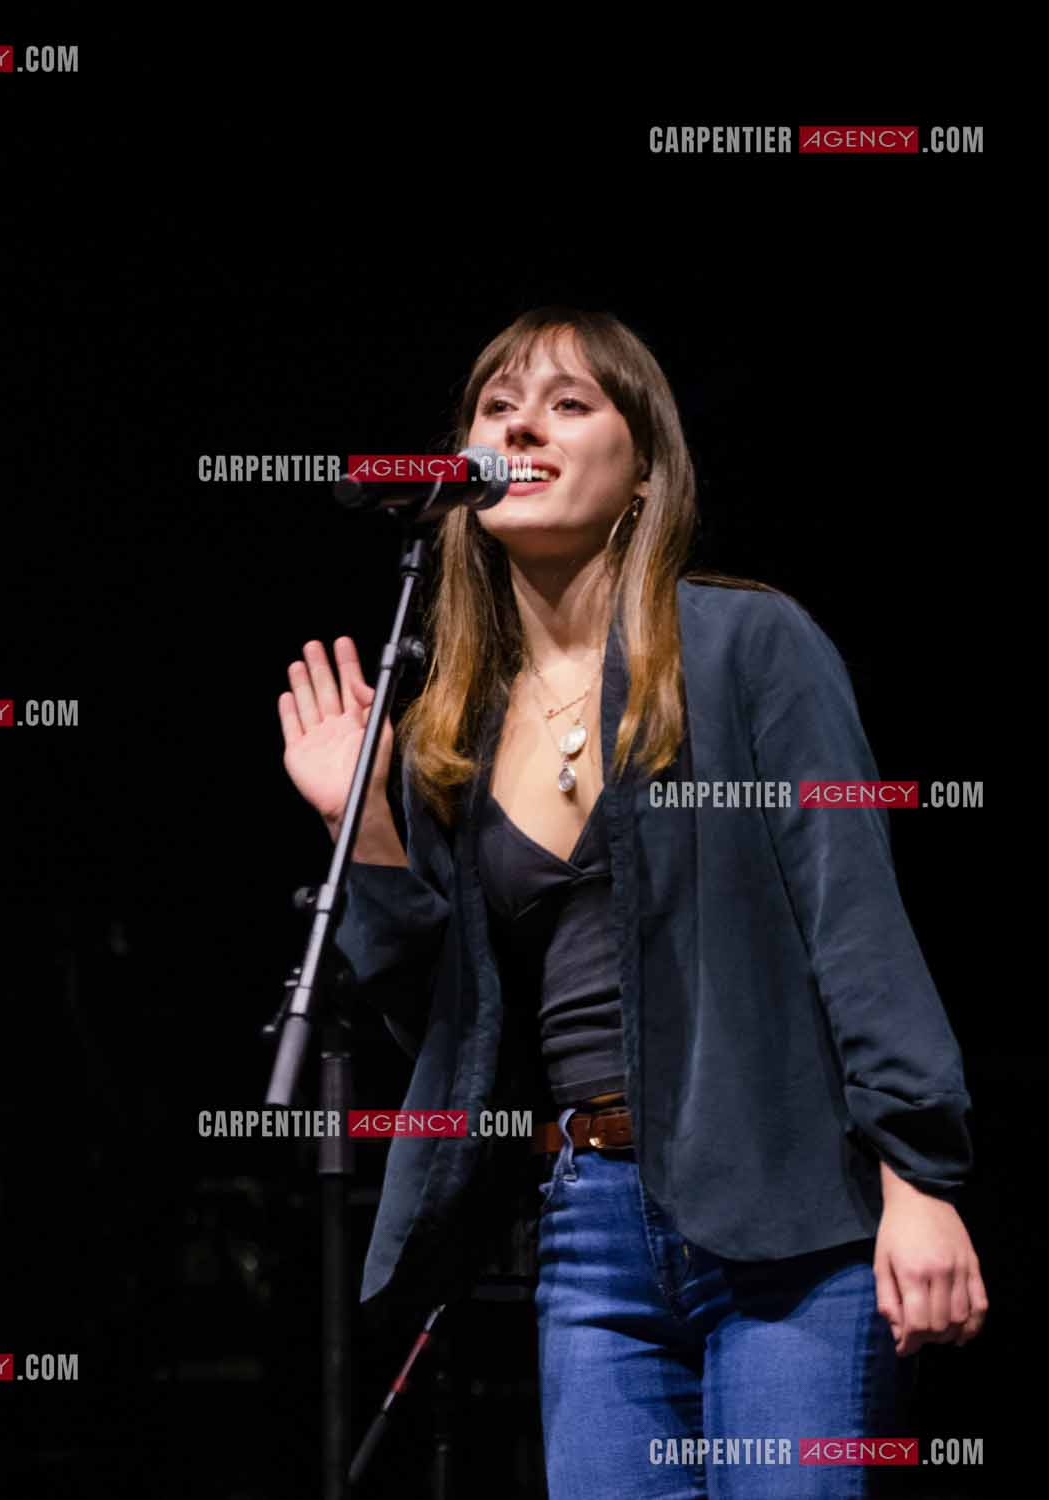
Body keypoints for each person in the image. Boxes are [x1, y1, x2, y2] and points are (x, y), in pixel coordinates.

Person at [276, 308, 984, 1497]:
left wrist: (919, 1182)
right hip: (587, 1229)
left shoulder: (746, 643)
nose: (518, 427)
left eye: (565, 403)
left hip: (783, 1218)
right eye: (497, 410)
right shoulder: (459, 723)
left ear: (641, 462)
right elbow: (447, 1035)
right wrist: (371, 821)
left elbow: (852, 916)